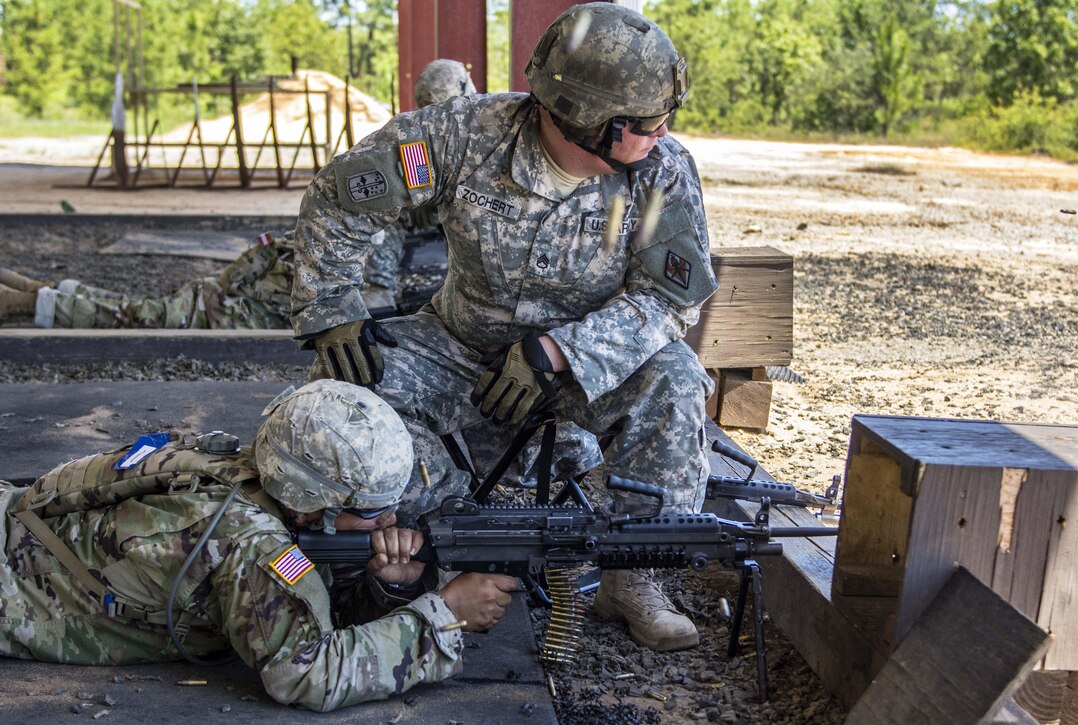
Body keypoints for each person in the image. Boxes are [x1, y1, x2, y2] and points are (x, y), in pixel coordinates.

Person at [291, 3, 717, 652]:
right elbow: (345, 194)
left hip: (584, 364)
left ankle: (632, 577)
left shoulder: (662, 173)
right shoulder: (460, 138)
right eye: (646, 123)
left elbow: (668, 300)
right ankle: (435, 539)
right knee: (346, 394)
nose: (661, 135)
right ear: (582, 116)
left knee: (679, 381)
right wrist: (332, 309)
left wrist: (559, 351)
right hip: (457, 347)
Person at [0, 379, 519, 711]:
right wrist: (443, 616)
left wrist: (389, 589)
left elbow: (302, 603)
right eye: (369, 511)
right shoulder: (252, 548)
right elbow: (307, 672)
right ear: (310, 502)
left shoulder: (241, 467)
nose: (389, 520)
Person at [0, 61, 478, 329]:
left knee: (163, 304)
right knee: (151, 315)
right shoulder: (423, 153)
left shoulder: (413, 145)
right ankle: (29, 301)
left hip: (285, 266)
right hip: (290, 286)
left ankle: (32, 289)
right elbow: (397, 243)